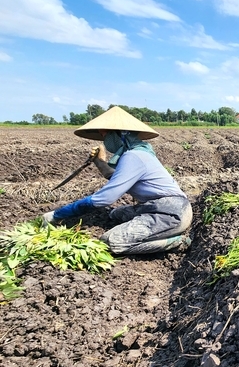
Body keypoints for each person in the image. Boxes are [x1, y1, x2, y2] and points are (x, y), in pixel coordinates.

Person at [42, 106, 192, 255]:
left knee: (111, 242)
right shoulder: (136, 153)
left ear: (121, 134)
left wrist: (58, 214)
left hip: (170, 214)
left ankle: (175, 242)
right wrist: (99, 161)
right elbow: (116, 178)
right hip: (159, 207)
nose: (105, 139)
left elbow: (104, 198)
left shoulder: (134, 156)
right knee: (115, 214)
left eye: (106, 134)